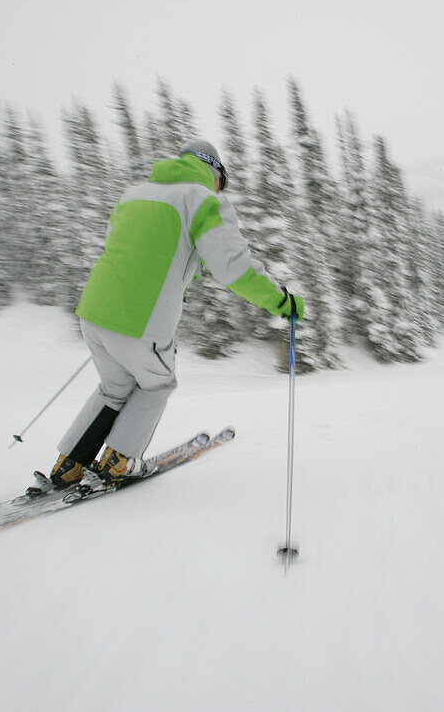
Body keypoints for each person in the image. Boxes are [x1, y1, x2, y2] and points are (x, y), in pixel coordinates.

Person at [29, 140, 303, 497]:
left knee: (115, 388)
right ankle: (120, 461)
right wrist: (281, 301)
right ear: (215, 173)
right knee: (157, 384)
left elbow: (137, 250)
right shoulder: (203, 199)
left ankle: (68, 466)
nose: (221, 187)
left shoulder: (135, 193)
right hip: (141, 321)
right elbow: (233, 268)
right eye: (223, 180)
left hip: (94, 312)